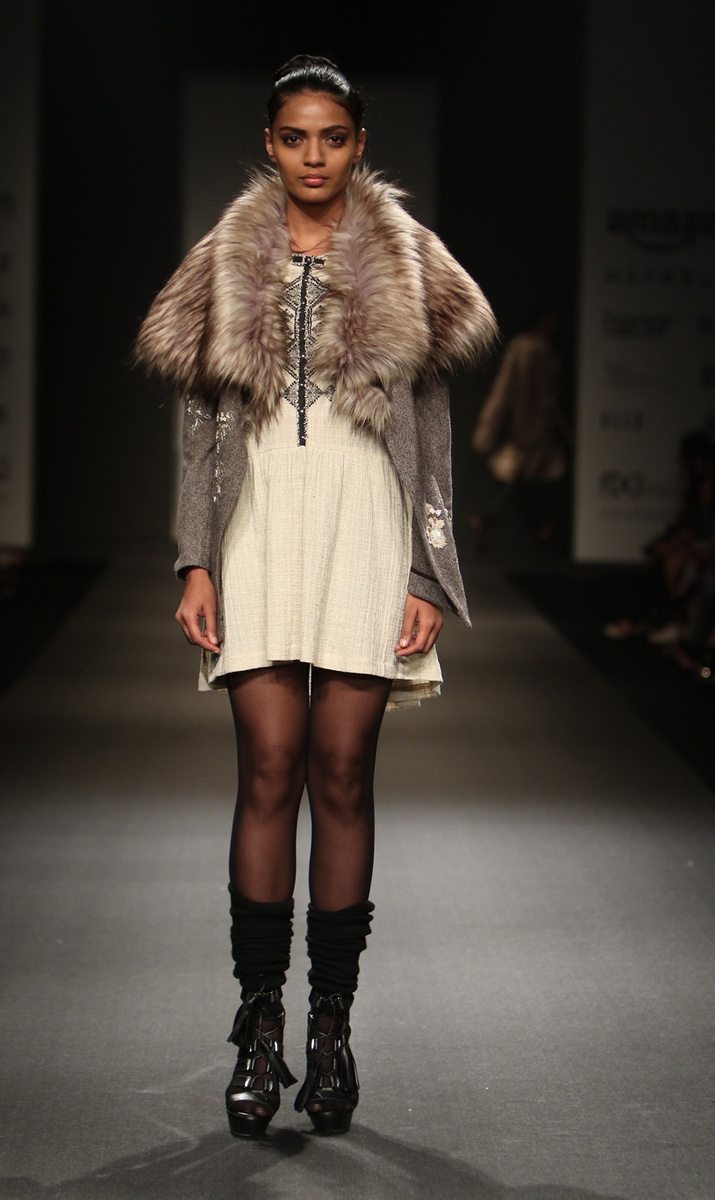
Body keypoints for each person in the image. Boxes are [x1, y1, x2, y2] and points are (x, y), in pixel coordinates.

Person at [135, 55, 496, 1138]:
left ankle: (331, 1026)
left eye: (331, 138)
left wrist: (426, 568)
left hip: (364, 520)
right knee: (269, 770)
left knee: (342, 774)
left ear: (359, 144)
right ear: (269, 142)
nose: (312, 156)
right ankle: (259, 1025)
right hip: (257, 525)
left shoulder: (405, 256)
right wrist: (195, 558)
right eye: (294, 137)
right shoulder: (226, 255)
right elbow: (199, 424)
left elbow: (430, 428)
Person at [469, 310, 570, 546]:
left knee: (536, 476)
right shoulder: (531, 349)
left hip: (534, 428)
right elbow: (529, 391)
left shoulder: (533, 348)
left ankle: (488, 518)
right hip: (532, 428)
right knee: (522, 475)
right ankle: (487, 517)